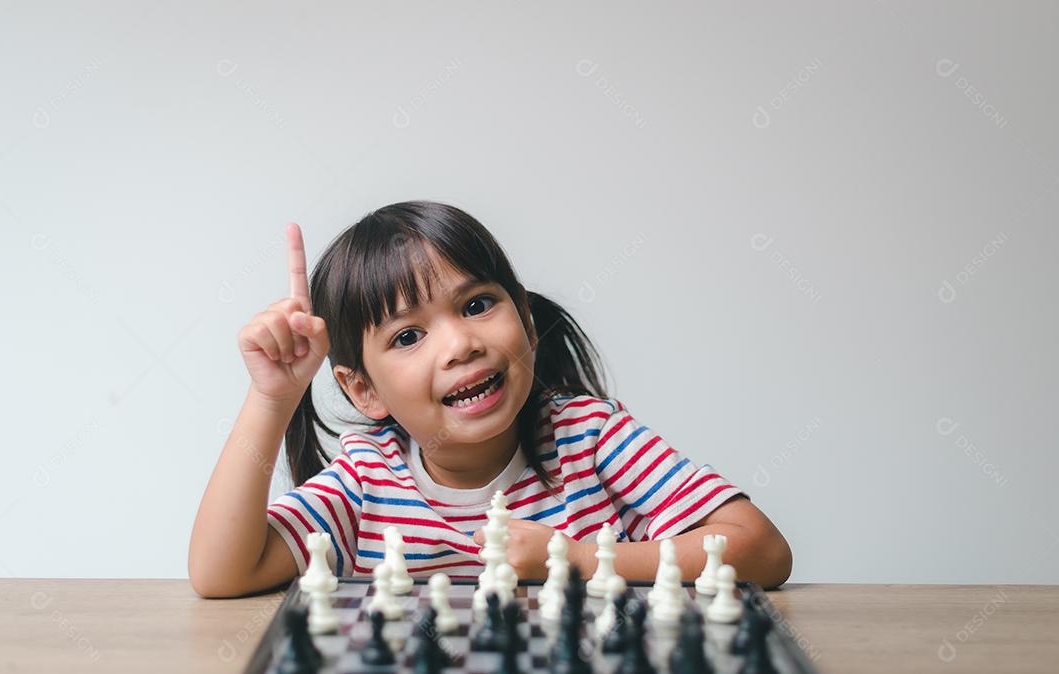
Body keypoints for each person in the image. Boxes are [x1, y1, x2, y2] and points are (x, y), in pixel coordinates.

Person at [188, 201, 792, 598]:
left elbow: (761, 549)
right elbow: (221, 574)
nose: (459, 345)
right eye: (408, 336)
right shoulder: (368, 479)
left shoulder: (588, 438)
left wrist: (575, 557)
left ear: (527, 322)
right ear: (364, 390)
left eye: (477, 305)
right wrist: (273, 399)